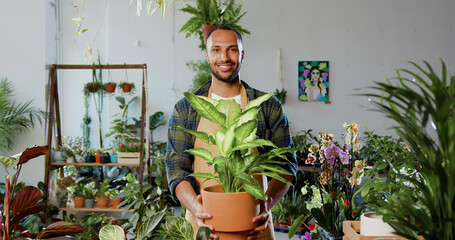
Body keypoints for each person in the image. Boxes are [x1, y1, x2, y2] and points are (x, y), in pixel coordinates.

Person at [165, 26, 297, 240]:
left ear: (242, 55)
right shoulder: (186, 108)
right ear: (206, 55)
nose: (224, 57)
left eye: (232, 49)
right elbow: (176, 169)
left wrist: (266, 204)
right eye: (216, 50)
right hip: (204, 226)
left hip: (254, 225)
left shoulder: (267, 106)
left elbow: (286, 165)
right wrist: (197, 209)